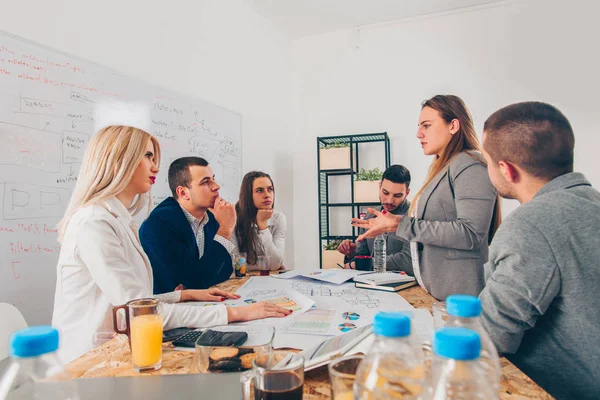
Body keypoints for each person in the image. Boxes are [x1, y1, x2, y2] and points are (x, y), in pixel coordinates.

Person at [52, 126, 290, 363]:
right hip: (88, 359)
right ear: (120, 161)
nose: (155, 166)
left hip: (120, 349)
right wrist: (235, 313)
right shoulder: (95, 223)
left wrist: (184, 295)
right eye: (147, 156)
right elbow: (140, 311)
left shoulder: (119, 219)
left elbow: (142, 298)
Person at [477, 102, 600, 399]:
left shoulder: (529, 226)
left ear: (505, 170)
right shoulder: (593, 203)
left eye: (488, 162)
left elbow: (490, 336)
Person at [352, 95, 501, 300]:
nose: (418, 134)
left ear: (453, 125)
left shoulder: (471, 165)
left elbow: (471, 233)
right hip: (440, 294)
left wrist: (400, 225)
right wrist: (395, 223)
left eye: (426, 125)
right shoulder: (444, 168)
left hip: (460, 298)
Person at [140, 157, 235, 294]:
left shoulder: (212, 217)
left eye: (213, 179)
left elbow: (225, 269)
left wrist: (196, 282)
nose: (216, 186)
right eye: (206, 182)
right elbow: (196, 280)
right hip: (167, 310)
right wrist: (225, 229)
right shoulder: (158, 225)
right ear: (183, 193)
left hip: (198, 304)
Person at [337, 164, 412, 272]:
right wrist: (351, 252)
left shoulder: (414, 216)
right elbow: (363, 255)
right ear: (380, 186)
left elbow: (407, 260)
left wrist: (361, 264)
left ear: (407, 193)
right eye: (385, 192)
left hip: (404, 285)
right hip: (371, 282)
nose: (389, 200)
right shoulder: (370, 215)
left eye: (397, 196)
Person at [231, 171, 287, 270]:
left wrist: (262, 226)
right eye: (260, 190)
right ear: (248, 195)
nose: (267, 195)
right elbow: (236, 265)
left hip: (267, 281)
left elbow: (276, 263)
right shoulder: (232, 217)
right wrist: (268, 265)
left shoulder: (279, 218)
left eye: (270, 189)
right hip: (240, 282)